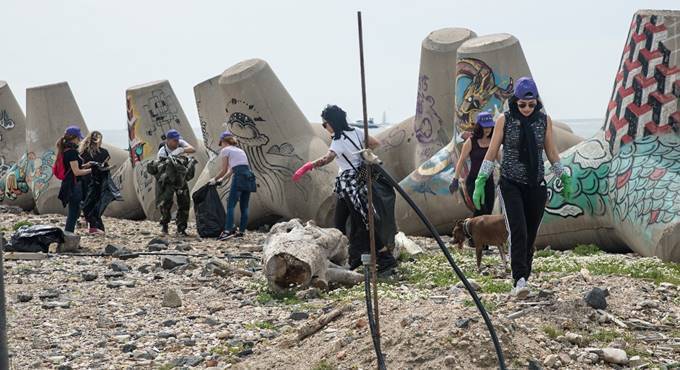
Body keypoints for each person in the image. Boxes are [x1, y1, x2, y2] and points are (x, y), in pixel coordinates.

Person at [472, 77, 572, 299]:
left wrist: (563, 177)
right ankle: (519, 280)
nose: (527, 109)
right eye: (522, 105)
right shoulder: (504, 120)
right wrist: (480, 180)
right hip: (510, 184)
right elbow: (492, 150)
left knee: (530, 234)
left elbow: (552, 152)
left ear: (537, 102)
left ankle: (525, 275)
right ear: (515, 101)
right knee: (518, 230)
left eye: (531, 104)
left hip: (536, 186)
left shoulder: (544, 121)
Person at [293, 105, 397, 272]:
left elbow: (327, 159)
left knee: (361, 222)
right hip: (358, 179)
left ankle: (384, 257)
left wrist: (308, 166)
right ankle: (351, 257)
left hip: (349, 184)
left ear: (332, 123)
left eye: (324, 124)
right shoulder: (356, 132)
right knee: (340, 221)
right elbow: (375, 143)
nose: (324, 127)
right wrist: (361, 155)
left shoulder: (337, 141)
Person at [209, 131, 256, 240]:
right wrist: (222, 179)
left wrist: (214, 179)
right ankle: (241, 232)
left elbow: (224, 169)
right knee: (244, 206)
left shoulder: (225, 150)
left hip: (239, 177)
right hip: (249, 176)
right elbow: (232, 169)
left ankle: (227, 230)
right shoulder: (240, 150)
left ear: (223, 141)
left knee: (230, 205)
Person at [451, 111, 497, 218]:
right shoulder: (471, 141)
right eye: (485, 127)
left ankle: (478, 233)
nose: (487, 130)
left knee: (488, 213)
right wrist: (455, 180)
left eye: (490, 127)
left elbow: (500, 160)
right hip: (473, 182)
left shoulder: (493, 142)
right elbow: (461, 160)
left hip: (489, 182)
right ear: (479, 126)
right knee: (481, 210)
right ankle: (472, 231)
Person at [154, 129, 196, 236]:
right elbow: (160, 169)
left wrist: (180, 150)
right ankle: (164, 226)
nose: (176, 142)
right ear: (167, 140)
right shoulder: (162, 152)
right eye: (174, 141)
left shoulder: (180, 143)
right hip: (168, 179)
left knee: (184, 202)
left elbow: (192, 149)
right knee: (166, 203)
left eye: (177, 140)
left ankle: (181, 229)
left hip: (180, 178)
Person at [57, 125, 93, 233]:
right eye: (78, 138)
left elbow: (74, 168)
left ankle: (69, 236)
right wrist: (92, 170)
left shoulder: (67, 151)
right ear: (74, 138)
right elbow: (76, 172)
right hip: (74, 186)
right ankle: (68, 237)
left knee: (75, 213)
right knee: (73, 214)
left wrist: (86, 165)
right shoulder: (71, 152)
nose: (79, 141)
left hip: (72, 184)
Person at [79, 131, 111, 234]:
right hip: (99, 181)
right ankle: (97, 227)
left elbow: (80, 167)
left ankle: (93, 227)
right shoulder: (104, 152)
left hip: (85, 180)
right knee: (95, 205)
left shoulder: (82, 152)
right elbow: (106, 168)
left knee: (87, 204)